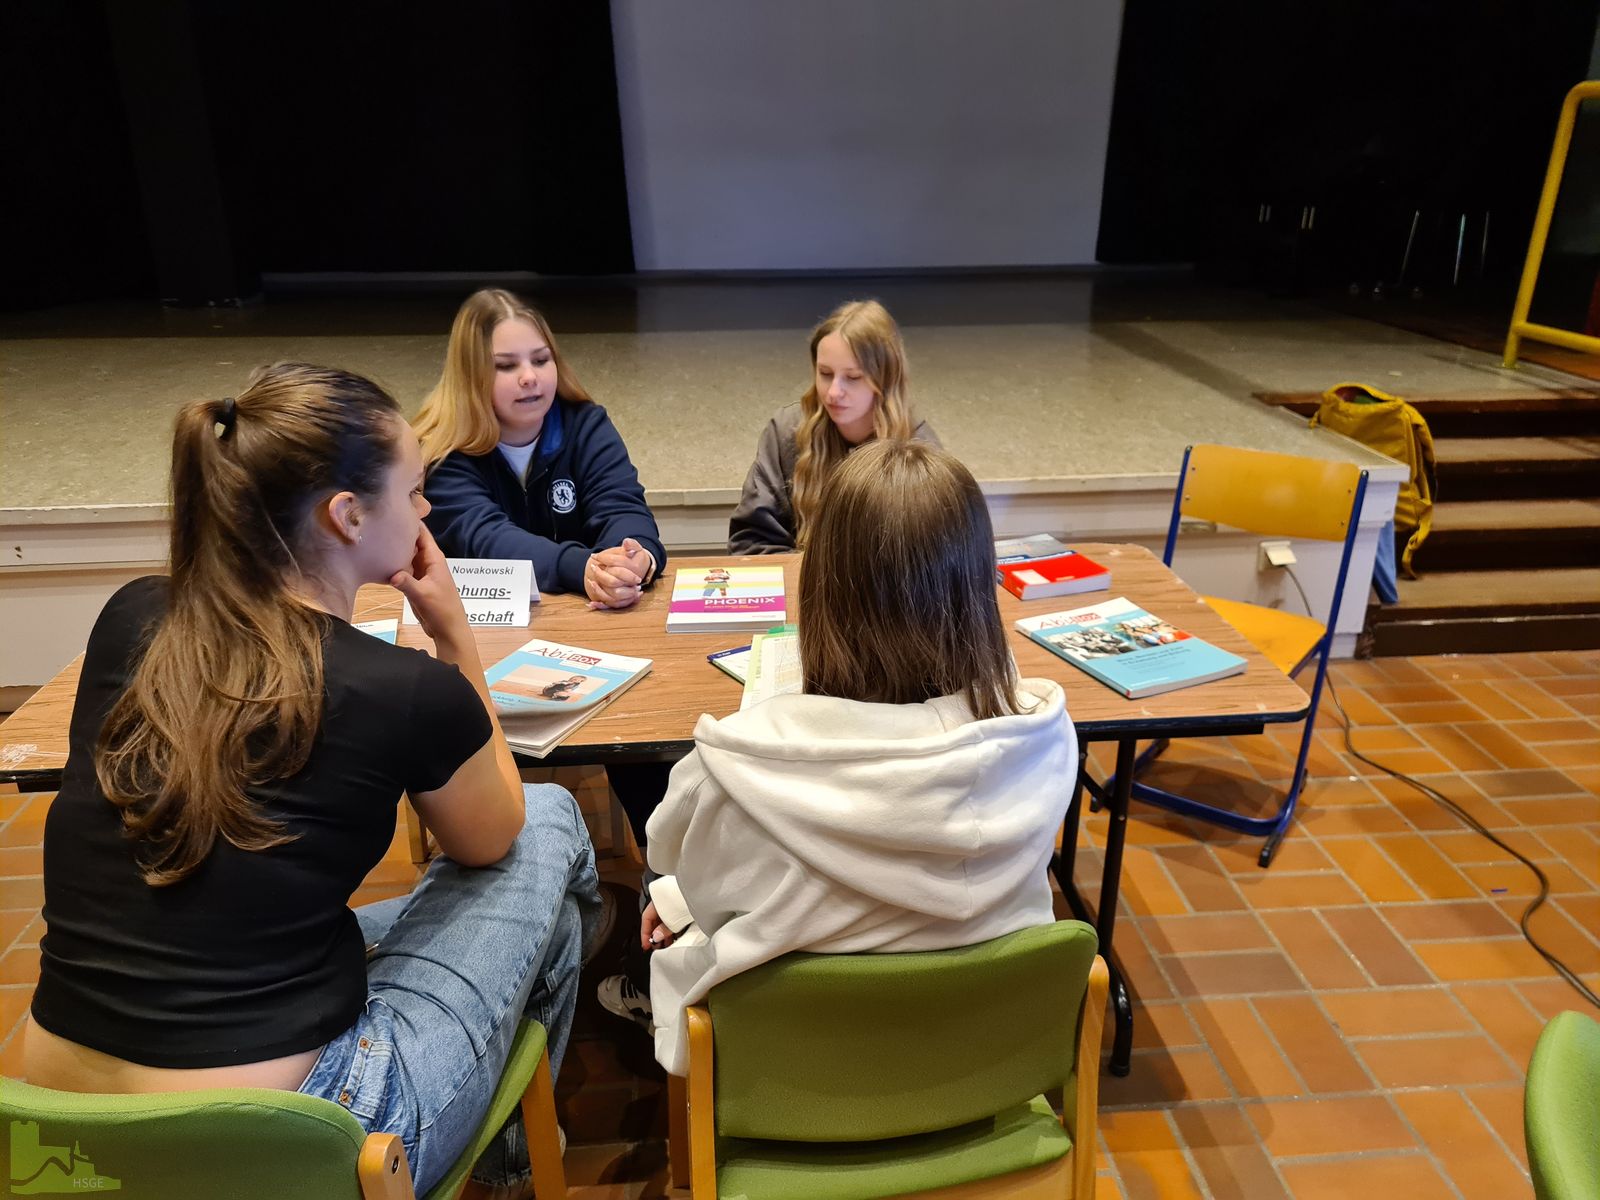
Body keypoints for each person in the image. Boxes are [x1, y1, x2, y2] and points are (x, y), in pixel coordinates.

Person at [22, 364, 600, 1196]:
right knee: (546, 822)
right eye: (414, 491)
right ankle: (509, 1151)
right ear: (348, 514)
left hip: (65, 1123)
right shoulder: (397, 688)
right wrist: (455, 640)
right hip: (288, 1140)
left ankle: (508, 1135)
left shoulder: (131, 616)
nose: (427, 512)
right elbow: (493, 836)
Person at [605, 440, 1078, 1073]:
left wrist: (684, 899)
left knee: (657, 892)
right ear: (975, 585)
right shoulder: (1044, 740)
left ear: (824, 585)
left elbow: (678, 861)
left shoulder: (738, 762)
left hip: (792, 1083)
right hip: (982, 1065)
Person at [414, 288, 666, 609]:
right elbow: (487, 539)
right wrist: (582, 569)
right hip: (482, 625)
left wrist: (635, 558)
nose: (530, 377)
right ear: (469, 376)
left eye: (540, 359)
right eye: (506, 366)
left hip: (583, 614)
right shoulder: (442, 449)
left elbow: (622, 508)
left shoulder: (585, 425)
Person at [727, 299, 941, 554]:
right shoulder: (787, 432)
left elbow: (950, 560)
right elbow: (751, 545)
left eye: (852, 378)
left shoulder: (921, 451)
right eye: (825, 374)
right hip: (805, 592)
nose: (833, 392)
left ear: (886, 379)